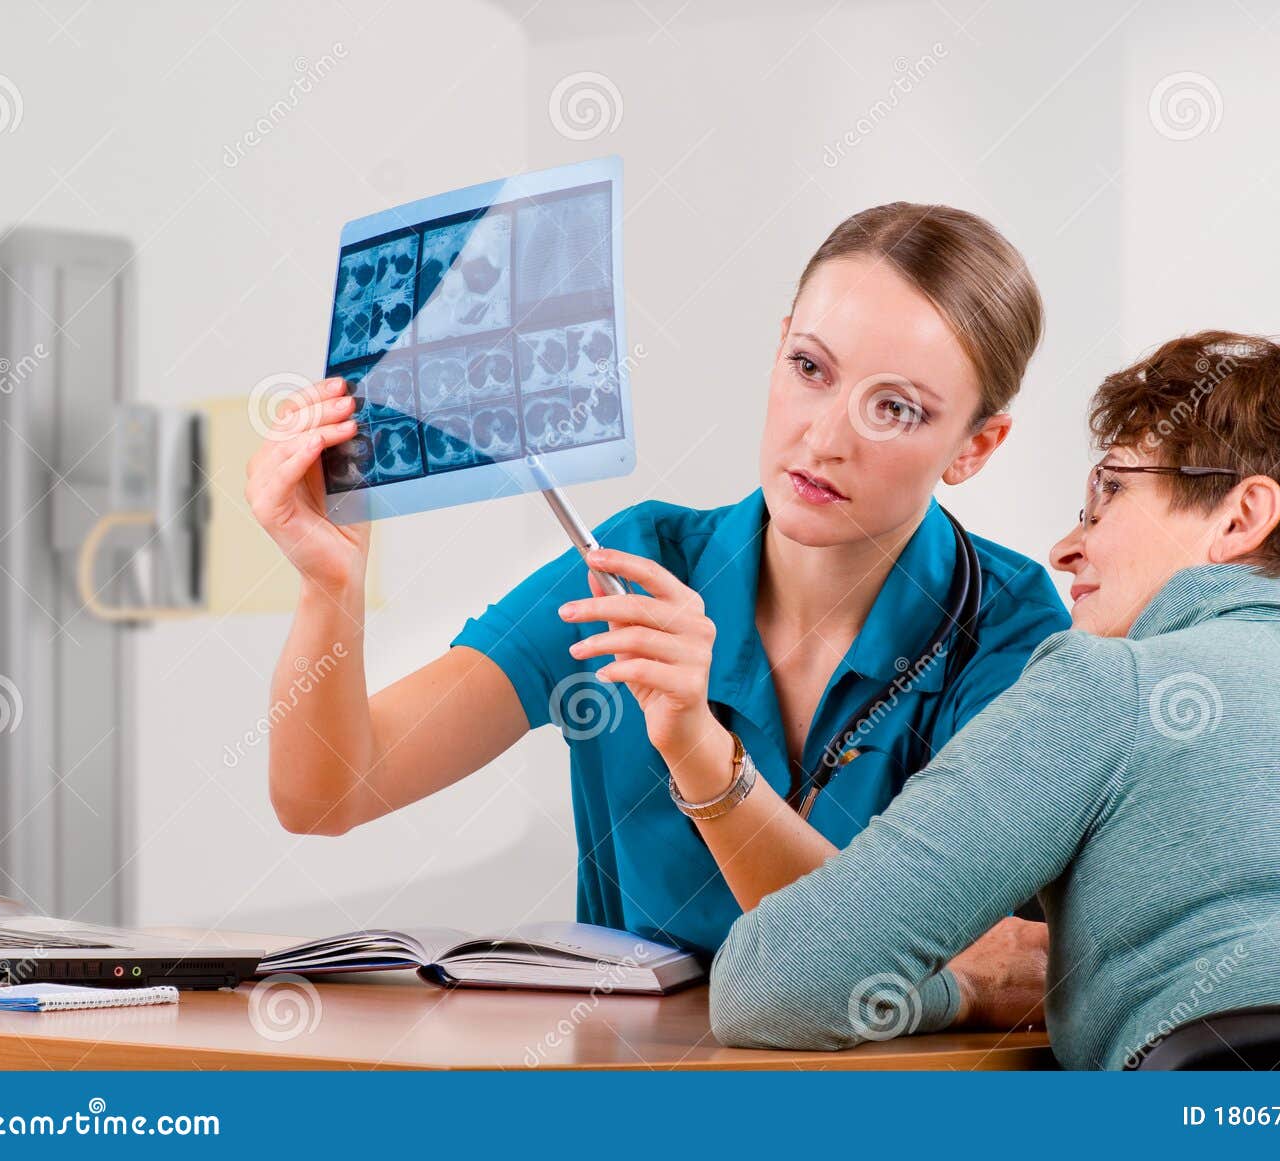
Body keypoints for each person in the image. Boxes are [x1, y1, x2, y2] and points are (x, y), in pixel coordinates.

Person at [245, 202, 1070, 963]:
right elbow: (327, 793)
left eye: (895, 408)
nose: (824, 437)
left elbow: (864, 959)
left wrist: (697, 747)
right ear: (779, 343)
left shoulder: (1010, 632)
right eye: (810, 368)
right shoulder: (634, 565)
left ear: (976, 446)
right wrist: (331, 587)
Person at [708, 330, 1280, 1068]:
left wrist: (969, 987)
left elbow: (772, 985)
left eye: (1111, 492)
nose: (1068, 547)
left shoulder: (1111, 686)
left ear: (1241, 516)